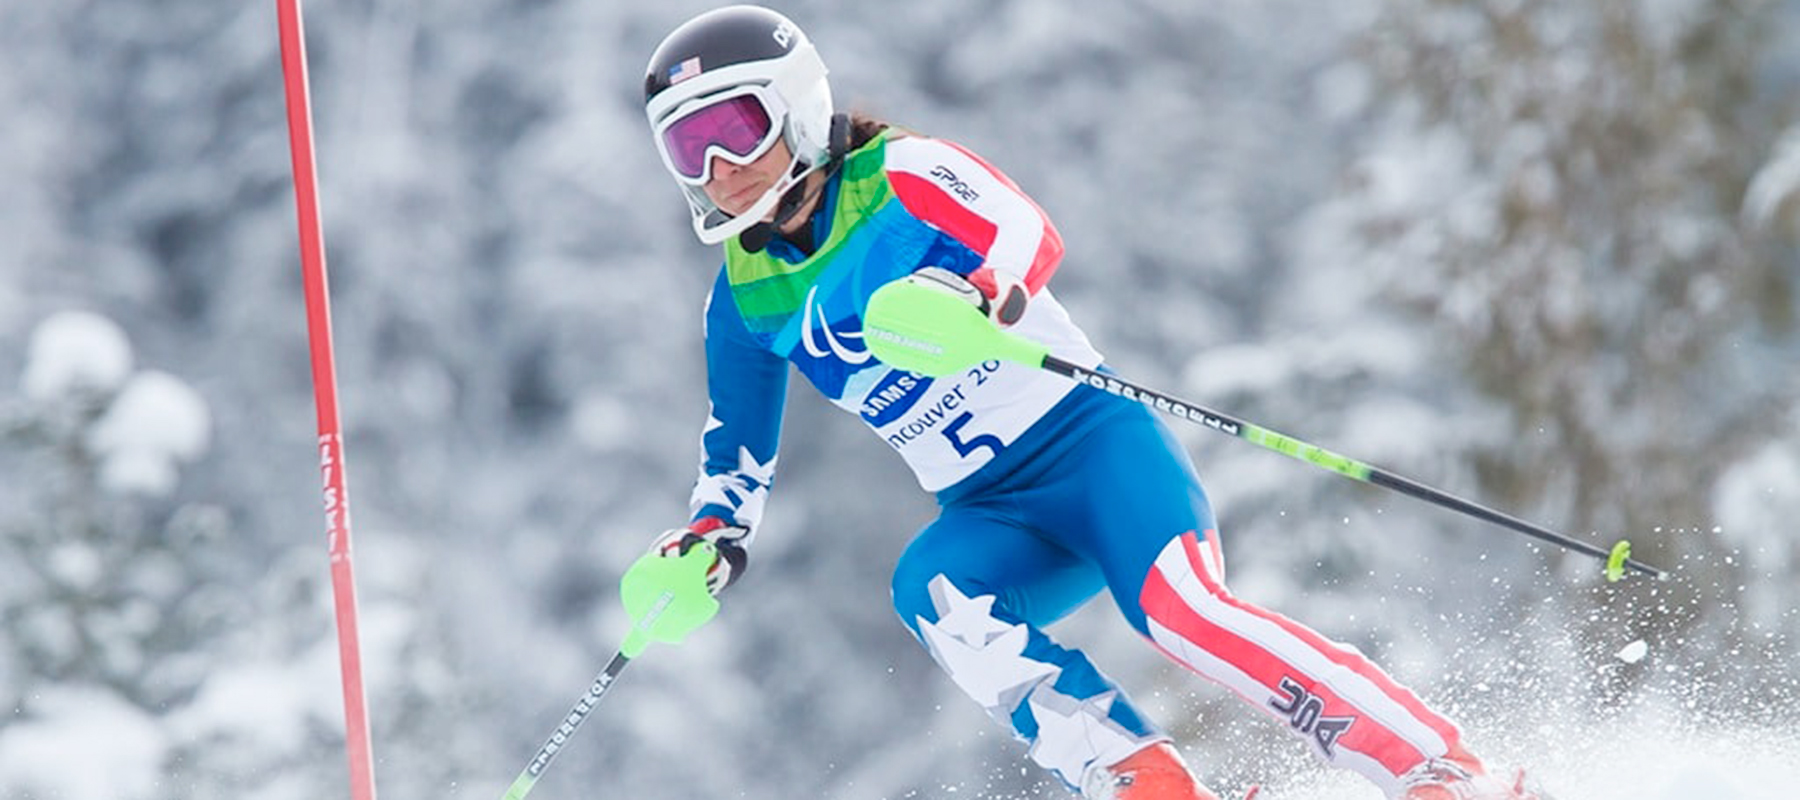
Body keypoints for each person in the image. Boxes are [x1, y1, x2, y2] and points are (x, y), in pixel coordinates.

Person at [630, 6, 1549, 799]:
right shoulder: (742, 298)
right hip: (992, 510)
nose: (718, 167)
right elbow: (735, 451)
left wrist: (983, 294)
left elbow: (1026, 231)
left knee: (1184, 615)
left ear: (797, 103)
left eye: (735, 129)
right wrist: (711, 540)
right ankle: (1142, 776)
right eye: (686, 146)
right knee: (935, 594)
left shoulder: (901, 173)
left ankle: (1437, 768)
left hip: (1093, 449)